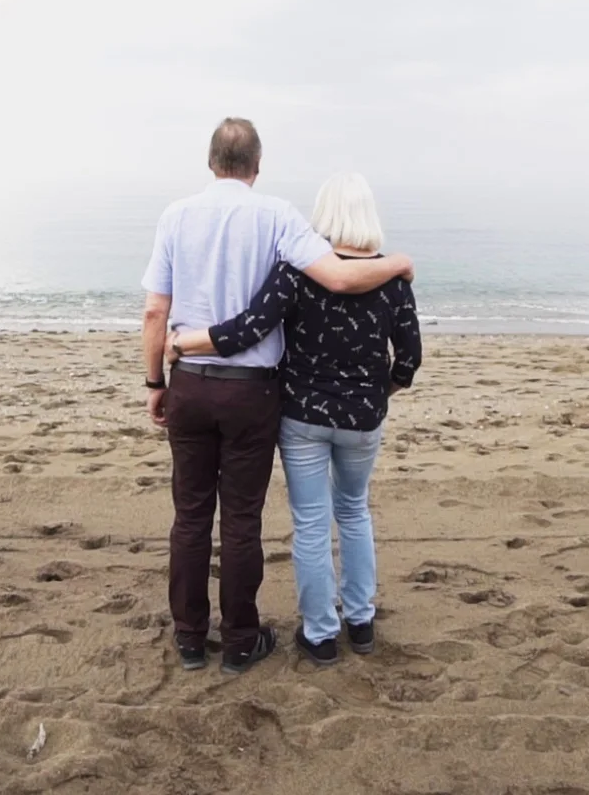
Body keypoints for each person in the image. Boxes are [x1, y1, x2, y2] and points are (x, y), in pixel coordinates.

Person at [141, 120, 415, 675]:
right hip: (260, 397)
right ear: (257, 167)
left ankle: (194, 638)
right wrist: (399, 266)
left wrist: (157, 380)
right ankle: (252, 639)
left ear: (211, 161)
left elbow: (161, 312)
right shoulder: (279, 219)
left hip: (199, 384)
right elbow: (347, 288)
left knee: (192, 516)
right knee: (253, 518)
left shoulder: (176, 217)